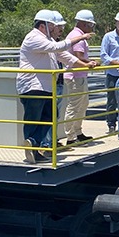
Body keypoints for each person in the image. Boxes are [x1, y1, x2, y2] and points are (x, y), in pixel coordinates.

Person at [16, 9, 96, 164]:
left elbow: (66, 56)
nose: (57, 29)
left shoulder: (47, 40)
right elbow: (58, 48)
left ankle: (34, 145)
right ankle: (32, 148)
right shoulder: (33, 38)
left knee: (49, 118)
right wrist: (80, 37)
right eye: (54, 25)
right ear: (43, 25)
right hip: (33, 86)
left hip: (46, 87)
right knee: (34, 119)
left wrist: (86, 65)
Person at [63, 9, 99, 146]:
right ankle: (71, 136)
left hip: (78, 76)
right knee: (74, 106)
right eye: (90, 25)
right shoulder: (78, 37)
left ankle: (77, 132)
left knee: (82, 105)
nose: (91, 28)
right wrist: (90, 62)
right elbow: (78, 56)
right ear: (84, 24)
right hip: (75, 76)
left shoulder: (75, 35)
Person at [40, 10, 67, 150]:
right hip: (50, 85)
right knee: (49, 115)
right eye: (58, 27)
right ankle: (47, 144)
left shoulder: (55, 42)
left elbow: (66, 58)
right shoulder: (47, 43)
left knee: (54, 115)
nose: (61, 30)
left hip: (58, 82)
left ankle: (52, 142)